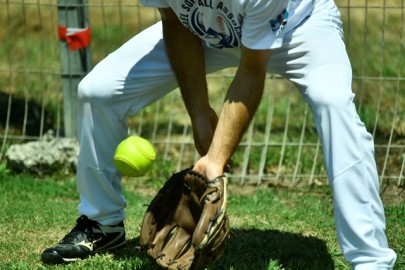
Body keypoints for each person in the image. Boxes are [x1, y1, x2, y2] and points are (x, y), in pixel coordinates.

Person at [41, 0, 397, 268]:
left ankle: (370, 259)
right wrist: (199, 113)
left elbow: (252, 67)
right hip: (207, 30)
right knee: (97, 92)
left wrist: (215, 159)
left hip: (298, 29)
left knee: (333, 103)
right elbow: (176, 22)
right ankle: (102, 223)